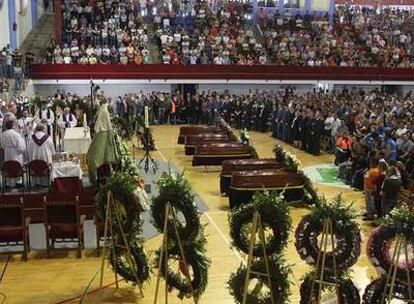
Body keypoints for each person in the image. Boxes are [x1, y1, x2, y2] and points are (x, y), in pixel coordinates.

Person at [1, 119, 26, 187]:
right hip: (16, 153)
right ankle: (17, 182)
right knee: (16, 166)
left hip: (7, 153)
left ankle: (8, 183)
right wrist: (22, 152)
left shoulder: (3, 134)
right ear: (12, 126)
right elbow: (21, 146)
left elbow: (2, 145)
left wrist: (7, 148)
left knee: (8, 166)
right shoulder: (16, 134)